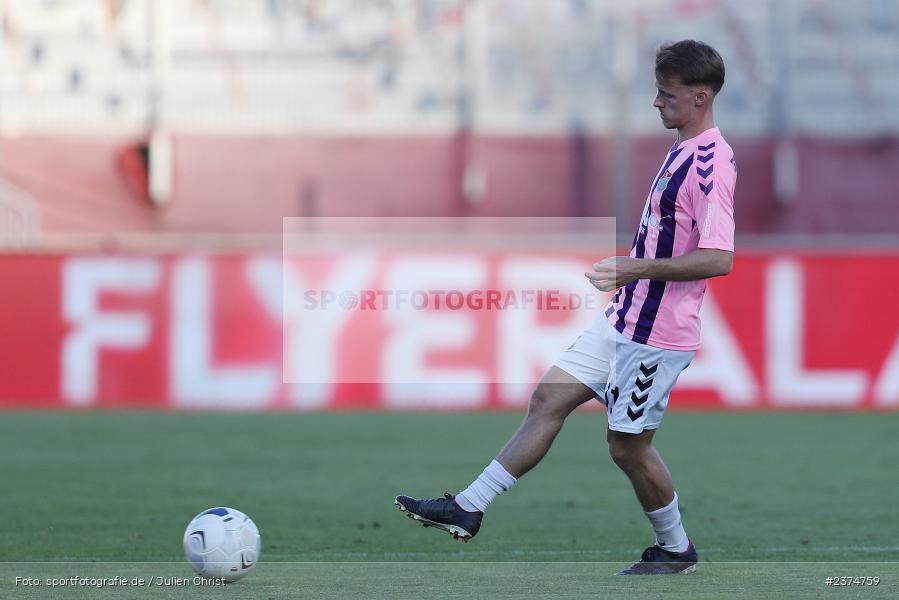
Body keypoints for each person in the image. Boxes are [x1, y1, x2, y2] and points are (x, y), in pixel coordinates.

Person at [395, 40, 736, 576]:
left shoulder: (712, 164)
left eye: (665, 94)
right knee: (548, 398)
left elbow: (718, 258)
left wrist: (634, 268)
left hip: (657, 333)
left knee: (627, 448)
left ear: (698, 97)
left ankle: (676, 548)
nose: (655, 103)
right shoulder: (682, 150)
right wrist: (631, 277)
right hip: (625, 316)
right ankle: (468, 506)